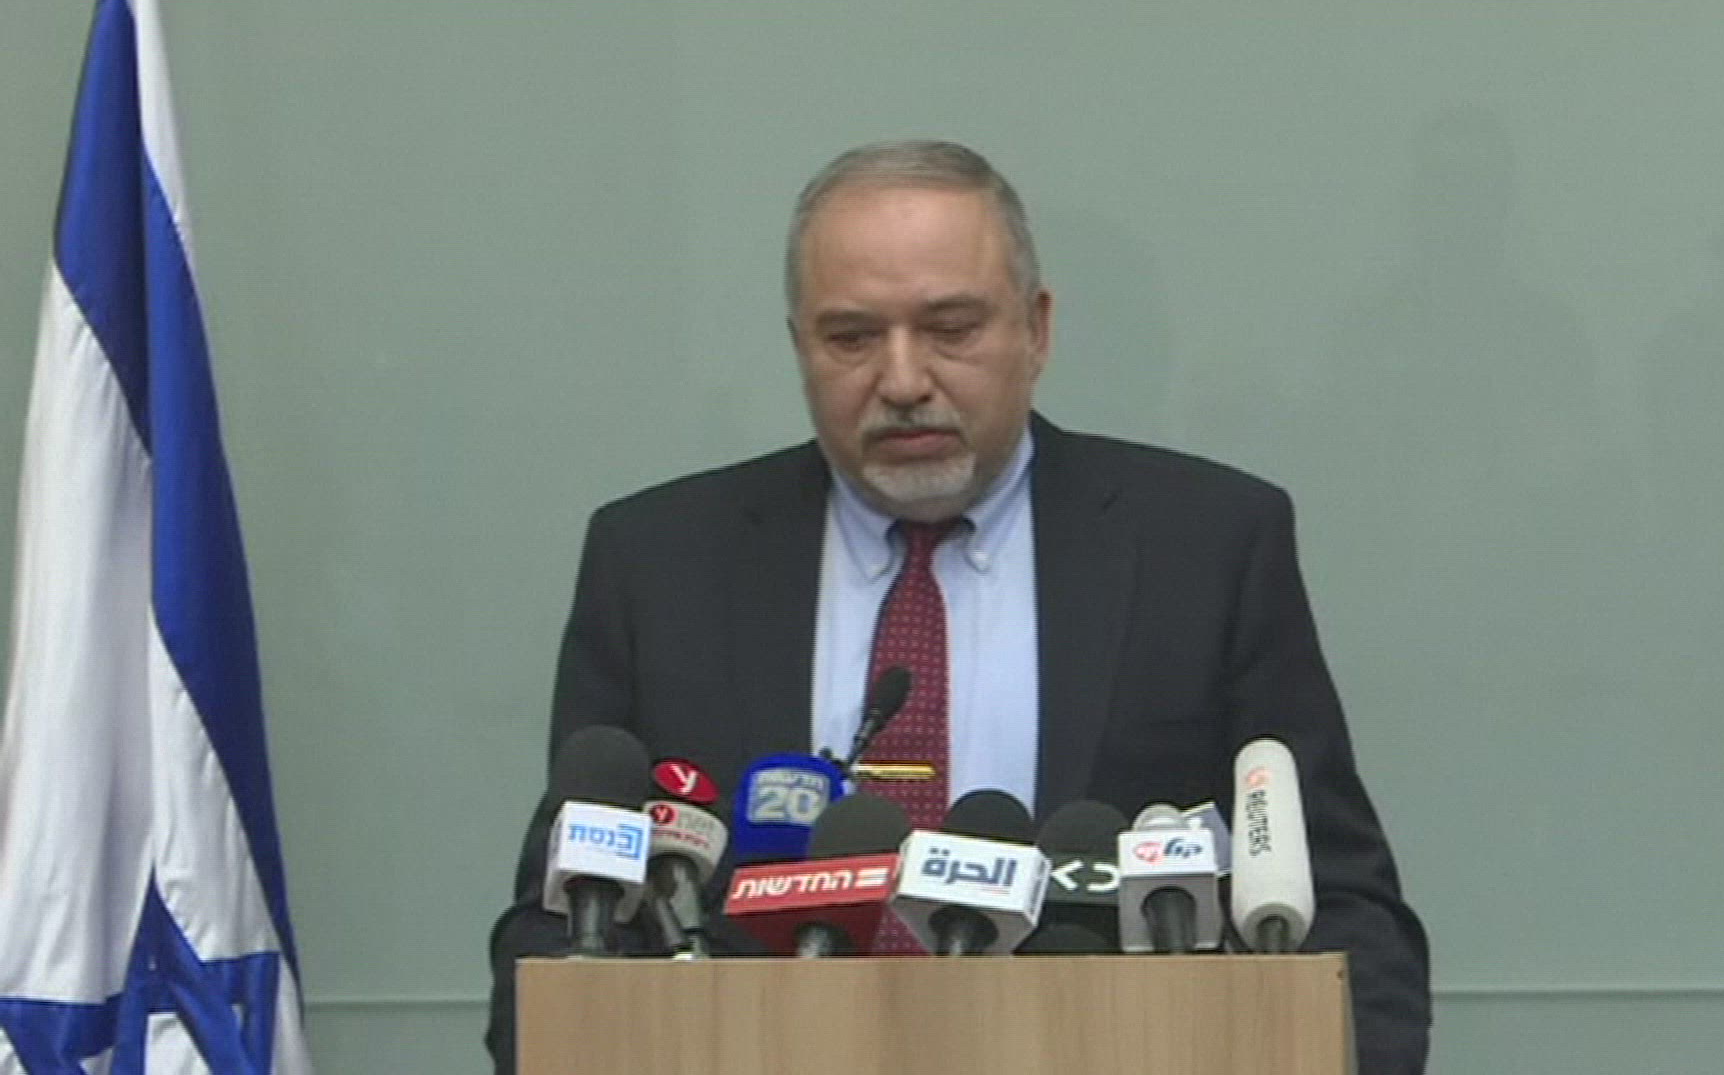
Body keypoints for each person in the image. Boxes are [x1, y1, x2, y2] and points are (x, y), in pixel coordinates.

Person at [487, 141, 1430, 1073]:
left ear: (1037, 329)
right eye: (852, 338)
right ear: (799, 345)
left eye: (951, 328)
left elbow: (1342, 909)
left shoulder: (1204, 547)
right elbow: (561, 925)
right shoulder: (660, 564)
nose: (903, 381)